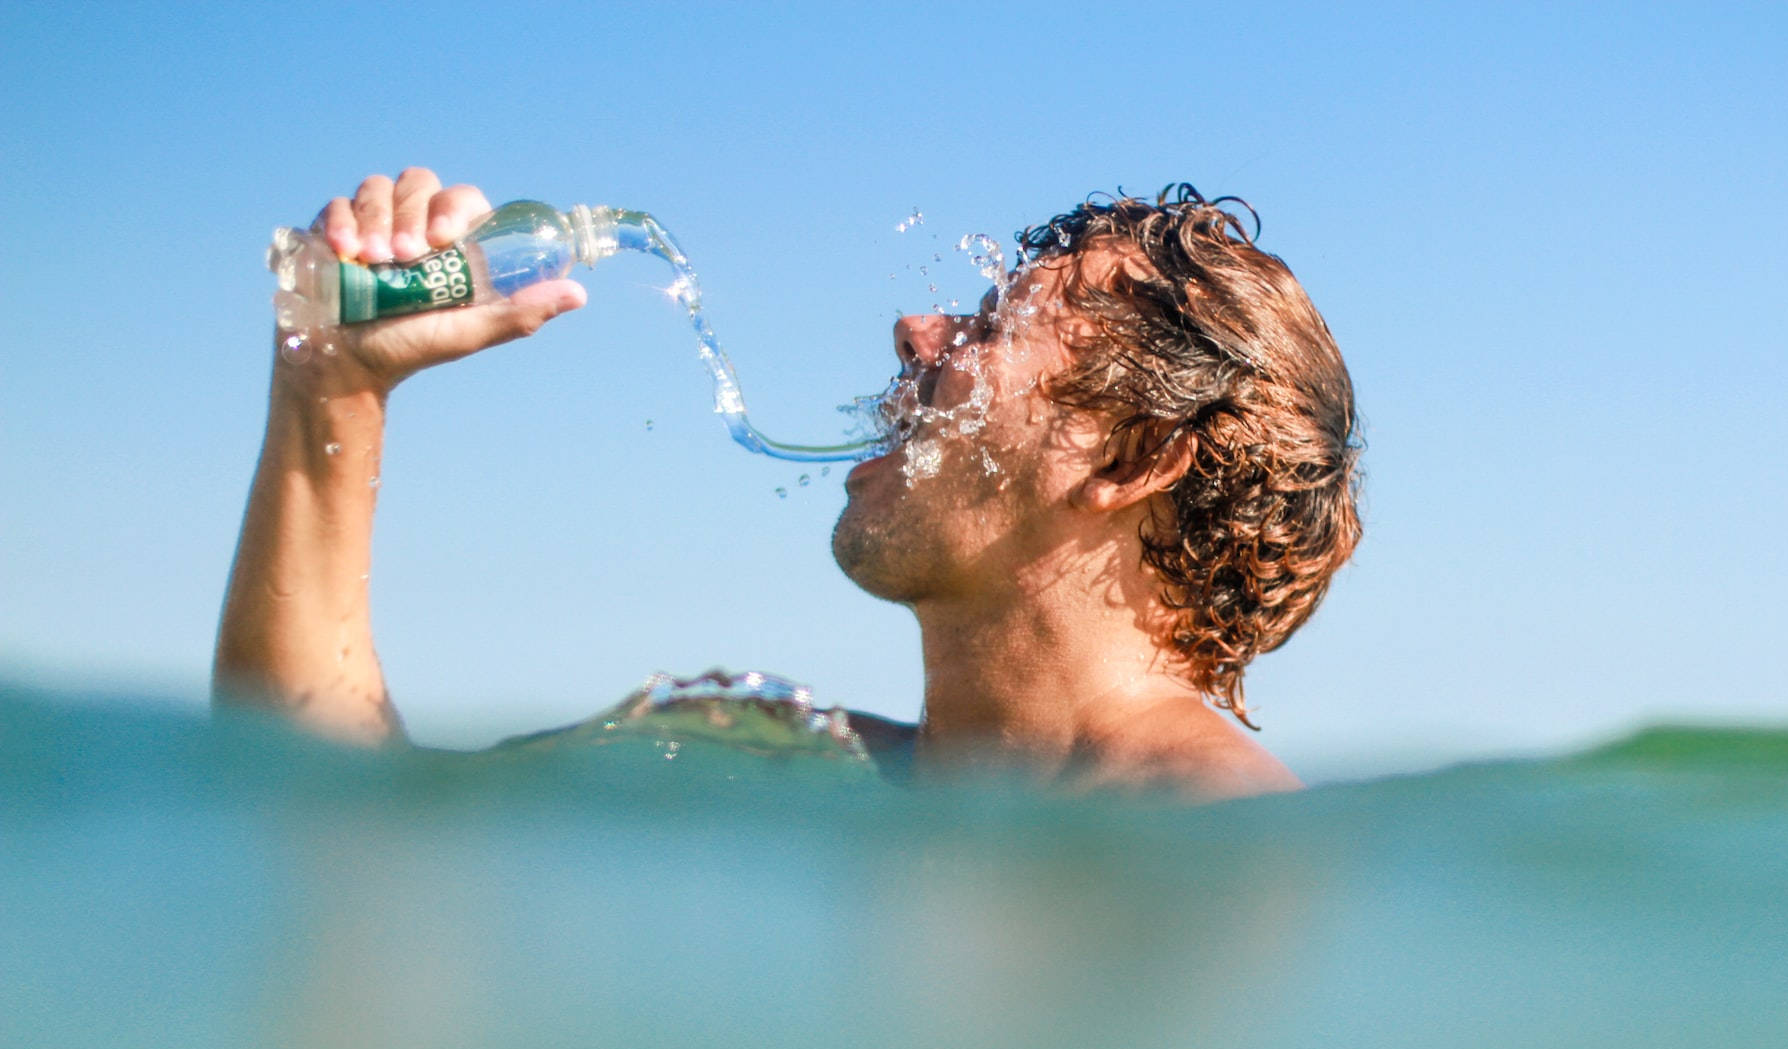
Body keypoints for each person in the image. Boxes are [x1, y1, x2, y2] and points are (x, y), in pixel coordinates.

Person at [215, 169, 1362, 798]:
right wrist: (333, 394)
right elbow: (327, 824)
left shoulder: (1215, 842)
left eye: (990, 320)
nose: (915, 329)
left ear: (1125, 458)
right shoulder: (778, 763)